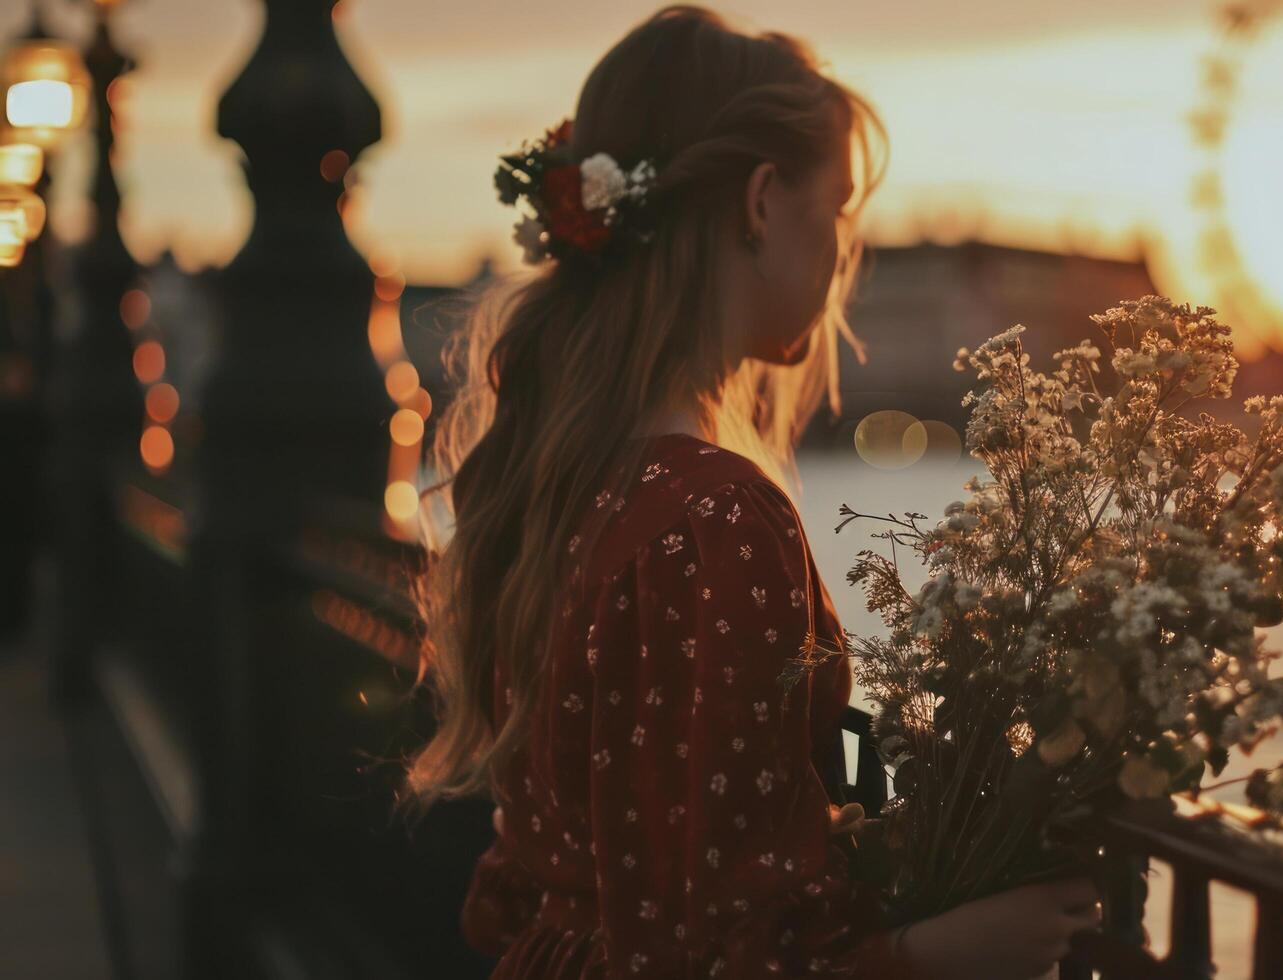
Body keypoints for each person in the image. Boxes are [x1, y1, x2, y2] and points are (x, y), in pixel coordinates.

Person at [404, 7, 1100, 978]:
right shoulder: (711, 515)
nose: (842, 247)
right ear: (762, 202)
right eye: (838, 205)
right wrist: (936, 951)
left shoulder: (554, 482)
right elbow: (720, 952)